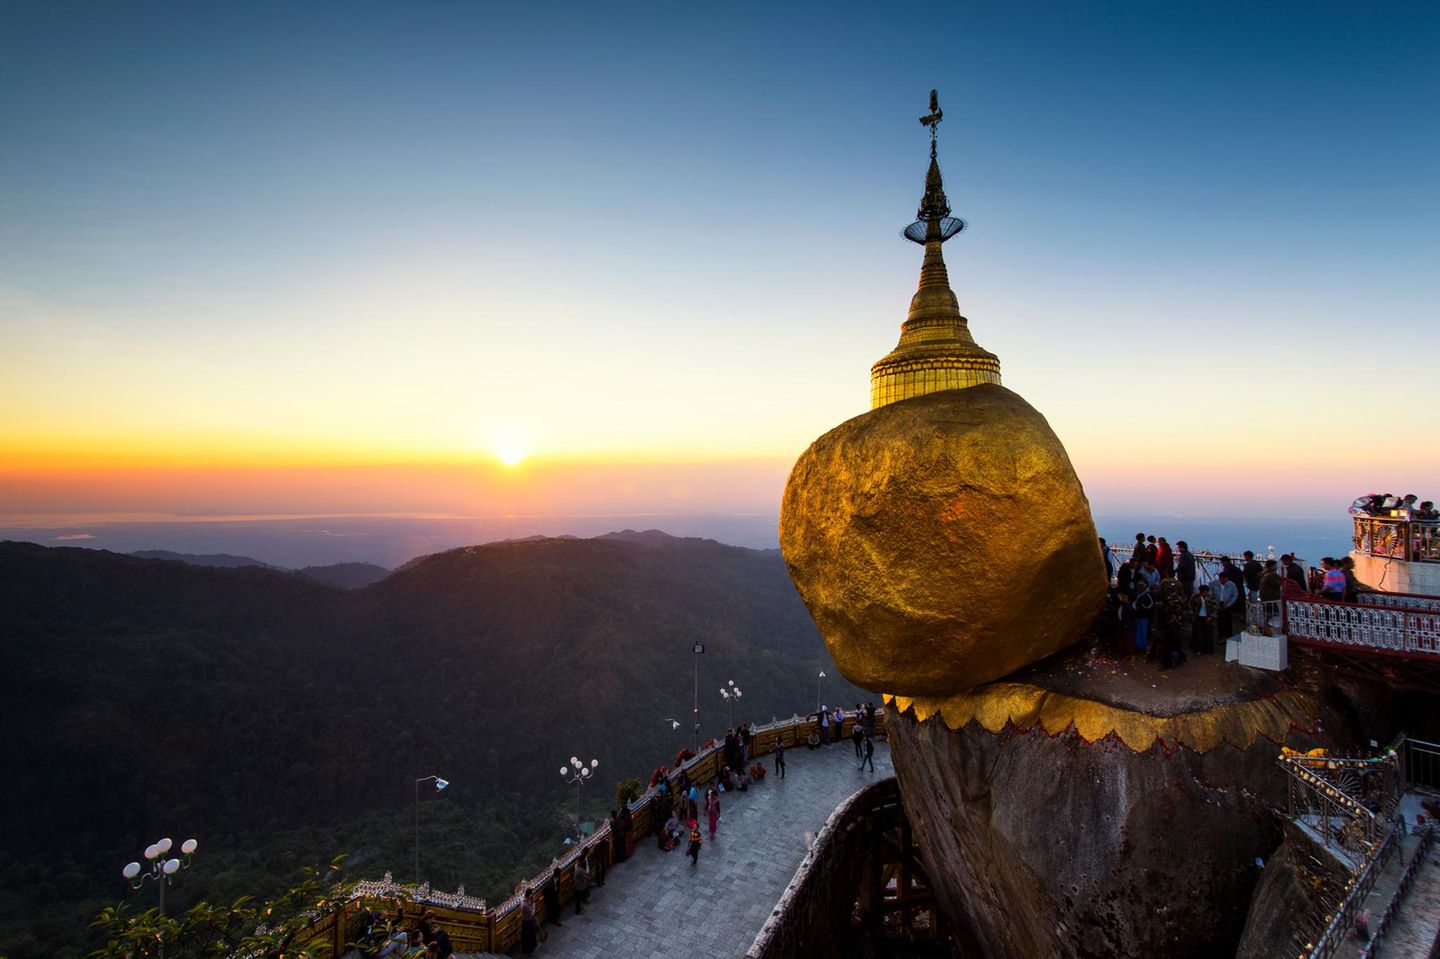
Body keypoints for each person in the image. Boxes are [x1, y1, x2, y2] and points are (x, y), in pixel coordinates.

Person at [1189, 585, 1216, 655]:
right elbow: (1190, 607)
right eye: (1203, 592)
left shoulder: (1212, 598)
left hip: (1207, 617)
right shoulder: (1195, 597)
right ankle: (1198, 649)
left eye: (1206, 592)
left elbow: (1215, 609)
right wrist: (1192, 615)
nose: (1205, 594)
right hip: (1198, 617)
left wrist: (1211, 617)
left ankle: (1208, 649)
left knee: (1208, 634)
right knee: (1198, 634)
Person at [1215, 572, 1238, 640]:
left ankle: (1228, 635)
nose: (1222, 581)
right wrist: (1215, 603)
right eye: (1221, 580)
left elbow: (1234, 595)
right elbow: (1211, 593)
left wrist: (1228, 604)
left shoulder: (1232, 585)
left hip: (1227, 604)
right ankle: (1221, 635)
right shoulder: (1214, 584)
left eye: (1224, 580)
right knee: (1219, 621)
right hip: (1218, 603)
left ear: (1227, 579)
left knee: (1228, 620)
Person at [1132, 582, 1154, 655]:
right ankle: (1137, 645)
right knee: (1137, 631)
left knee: (1142, 631)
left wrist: (1140, 606)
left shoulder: (1147, 596)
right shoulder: (1137, 595)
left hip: (1143, 617)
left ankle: (1141, 646)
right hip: (1137, 616)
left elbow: (1149, 606)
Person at [1115, 591, 1135, 659]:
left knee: (1127, 639)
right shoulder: (1121, 605)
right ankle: (1123, 653)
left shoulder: (1128, 606)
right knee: (1122, 639)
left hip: (1126, 625)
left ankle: (1128, 653)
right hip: (1122, 624)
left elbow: (1130, 615)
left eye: (1125, 597)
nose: (1123, 598)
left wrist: (1126, 624)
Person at [520, 888, 539, 954]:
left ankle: (528, 950)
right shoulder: (525, 905)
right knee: (529, 937)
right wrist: (533, 904)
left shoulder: (524, 900)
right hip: (527, 922)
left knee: (528, 937)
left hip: (526, 921)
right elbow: (532, 913)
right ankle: (529, 951)